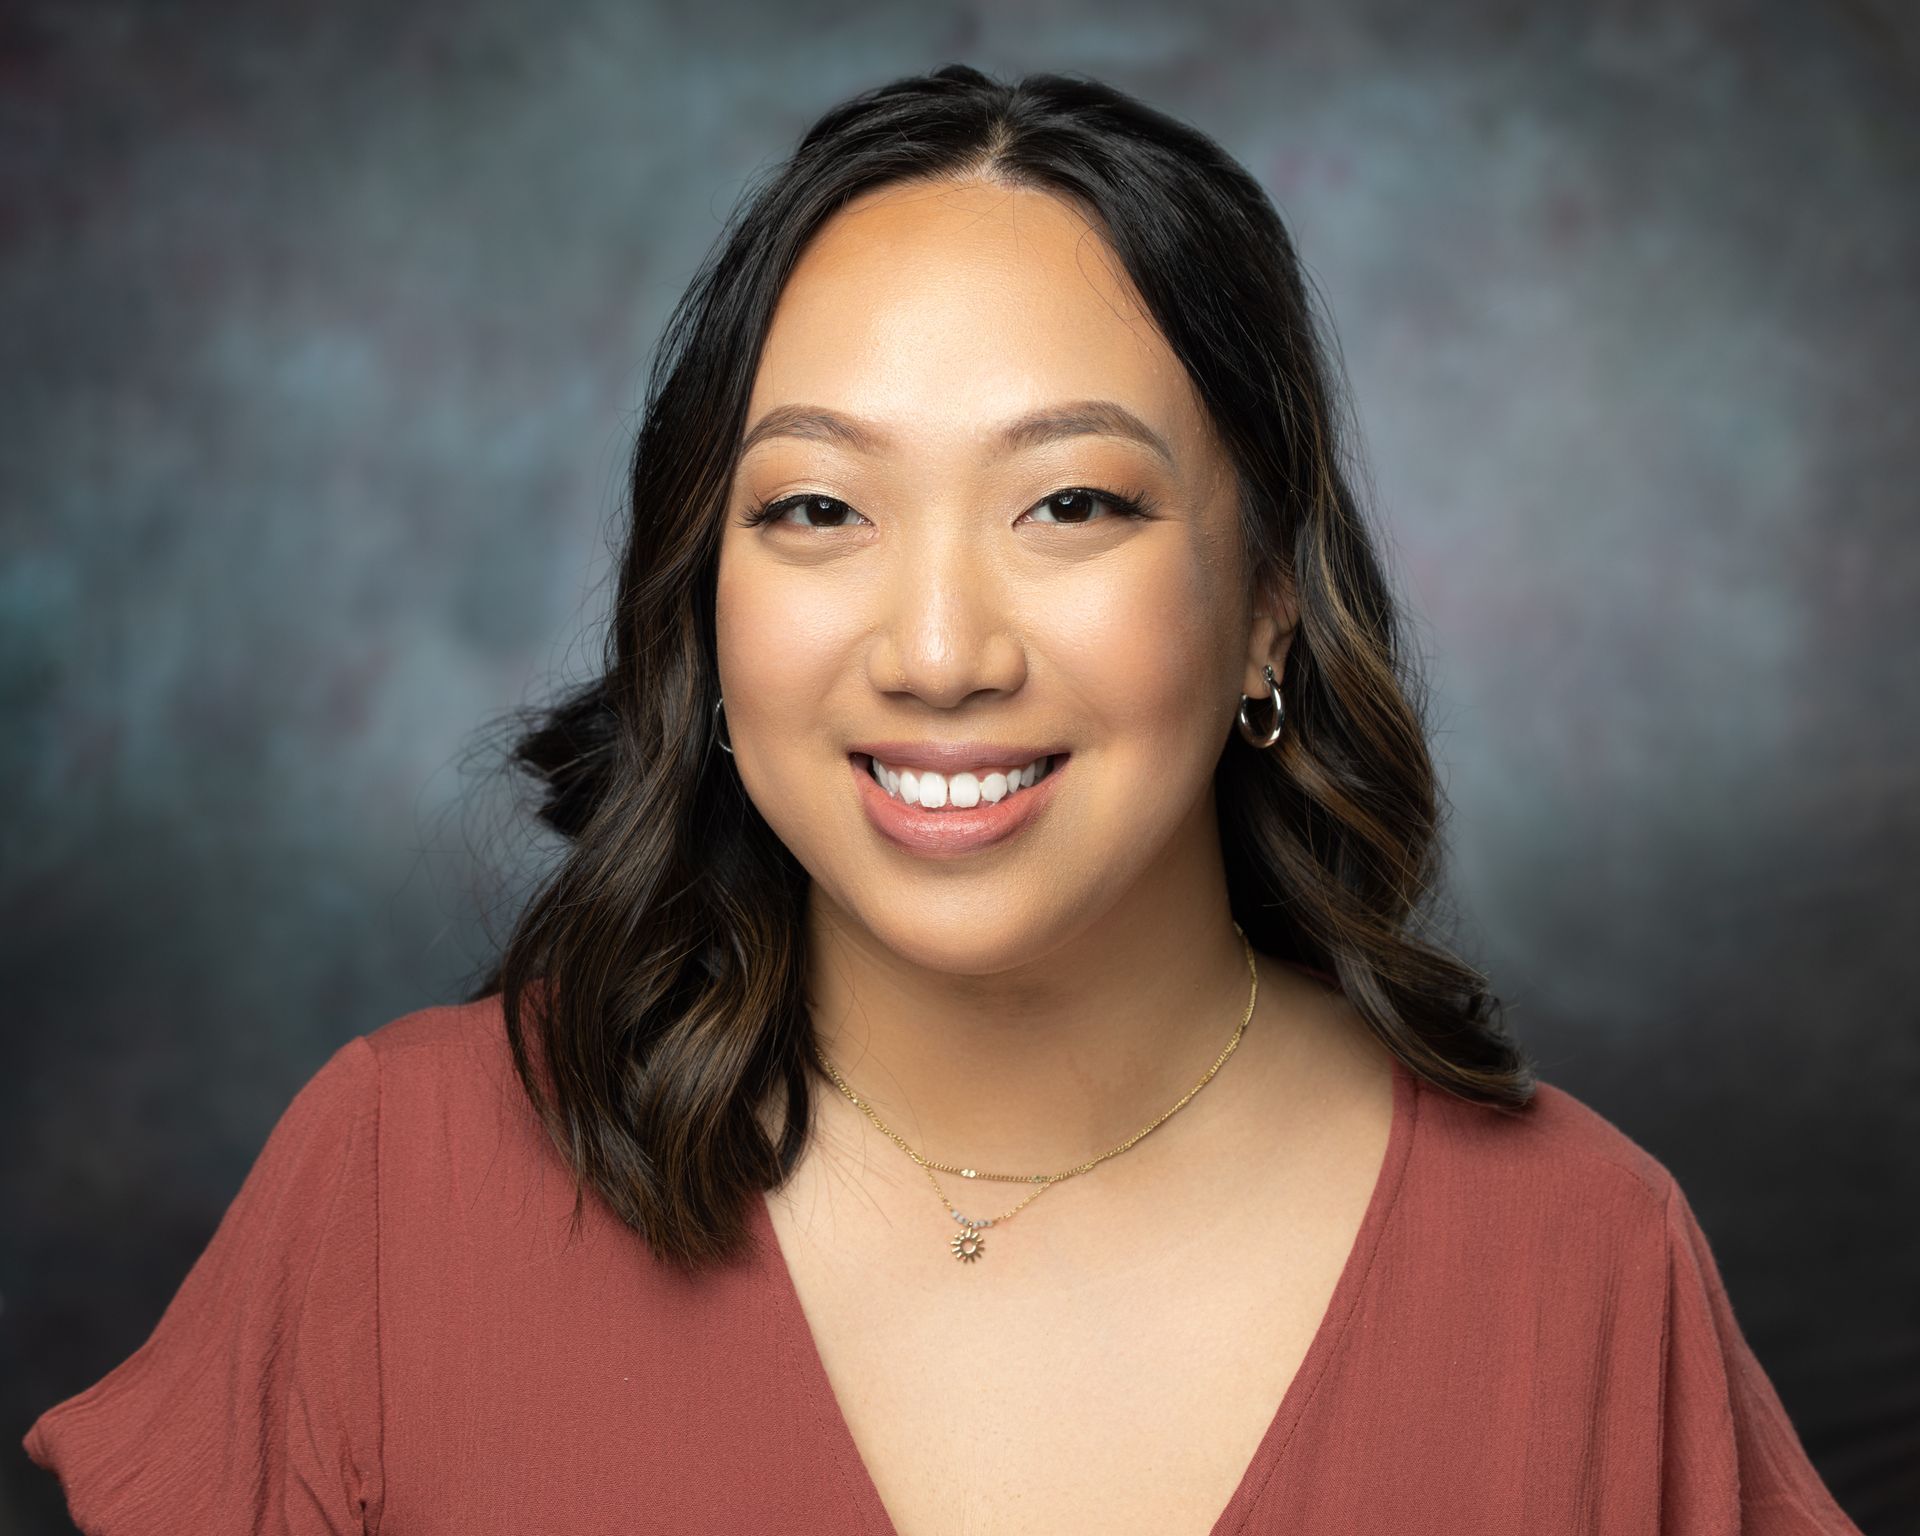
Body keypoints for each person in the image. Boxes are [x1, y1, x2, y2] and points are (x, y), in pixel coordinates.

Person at [23, 63, 1862, 1535]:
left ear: (1269, 610)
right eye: (816, 508)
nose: (933, 648)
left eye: (1072, 504)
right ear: (703, 597)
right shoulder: (392, 1188)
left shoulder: (1579, 1264)